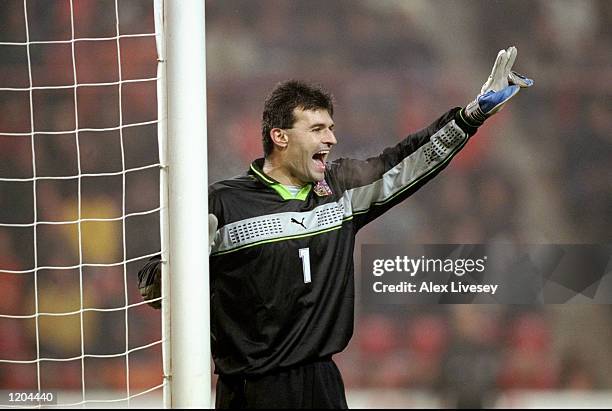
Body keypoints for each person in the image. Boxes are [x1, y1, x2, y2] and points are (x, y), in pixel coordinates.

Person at [138, 46, 532, 408]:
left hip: (323, 385)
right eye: (317, 130)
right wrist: (184, 267)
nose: (332, 138)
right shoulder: (223, 204)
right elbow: (152, 286)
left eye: (330, 127)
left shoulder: (341, 190)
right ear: (279, 136)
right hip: (252, 392)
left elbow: (408, 160)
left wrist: (471, 115)